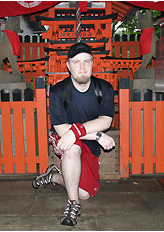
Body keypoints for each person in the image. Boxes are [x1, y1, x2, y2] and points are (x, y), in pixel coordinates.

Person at [32, 42, 115, 226]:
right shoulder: (58, 91)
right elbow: (62, 131)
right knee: (71, 147)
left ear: (93, 63)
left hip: (88, 144)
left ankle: (53, 176)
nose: (82, 67)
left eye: (87, 61)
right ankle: (72, 204)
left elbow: (106, 121)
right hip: (66, 140)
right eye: (76, 62)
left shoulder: (104, 89)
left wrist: (76, 131)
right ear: (68, 66)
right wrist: (98, 136)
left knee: (85, 193)